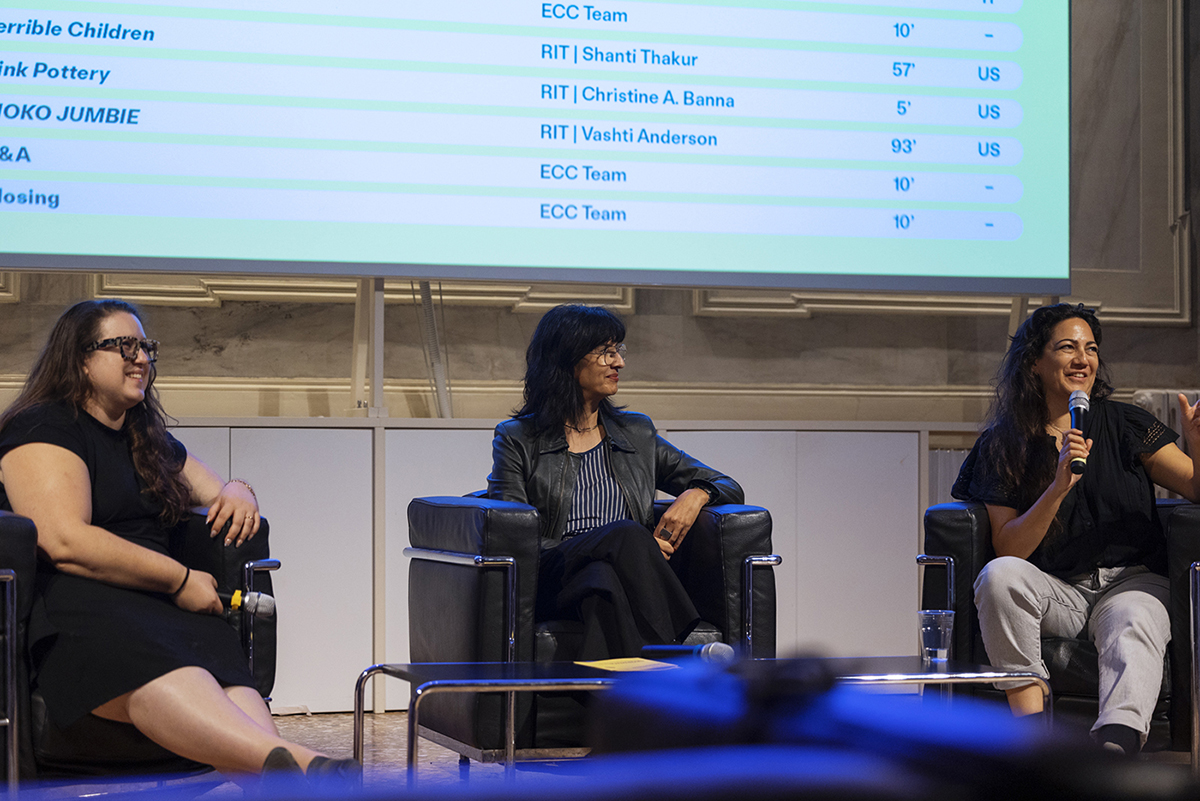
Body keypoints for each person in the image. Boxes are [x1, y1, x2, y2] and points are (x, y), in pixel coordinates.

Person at [0, 300, 356, 784]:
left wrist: (239, 490)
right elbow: (64, 539)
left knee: (219, 664)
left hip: (161, 603)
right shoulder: (42, 426)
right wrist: (181, 577)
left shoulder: (143, 435)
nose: (141, 358)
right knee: (163, 658)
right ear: (81, 358)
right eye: (123, 347)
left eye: (146, 346)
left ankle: (286, 770)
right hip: (80, 603)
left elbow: (218, 489)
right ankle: (297, 764)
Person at [952, 302, 1200, 756]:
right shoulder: (1005, 443)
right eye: (1067, 347)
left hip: (1132, 581)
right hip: (1057, 590)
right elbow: (1008, 548)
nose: (1082, 359)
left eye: (1090, 348)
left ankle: (1115, 747)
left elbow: (1195, 487)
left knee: (1134, 617)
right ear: (1034, 361)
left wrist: (1198, 444)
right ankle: (1035, 739)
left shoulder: (1125, 423)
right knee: (998, 577)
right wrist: (1058, 486)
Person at [487, 304, 743, 660]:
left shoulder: (635, 433)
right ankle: (674, 652)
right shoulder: (518, 438)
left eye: (618, 351)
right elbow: (512, 532)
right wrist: (615, 541)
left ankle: (614, 704)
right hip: (552, 573)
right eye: (606, 353)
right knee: (623, 534)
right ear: (567, 358)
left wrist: (695, 495)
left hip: (613, 573)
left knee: (602, 583)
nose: (619, 363)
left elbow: (727, 484)